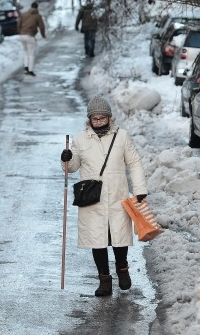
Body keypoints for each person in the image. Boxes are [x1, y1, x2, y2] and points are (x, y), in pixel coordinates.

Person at [61, 96, 148, 297]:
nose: (98, 122)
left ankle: (123, 269)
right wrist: (66, 158)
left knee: (119, 238)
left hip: (117, 195)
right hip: (92, 198)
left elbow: (134, 162)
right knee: (97, 240)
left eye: (102, 118)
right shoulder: (80, 139)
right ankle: (104, 280)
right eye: (95, 119)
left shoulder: (122, 136)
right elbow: (72, 167)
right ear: (89, 120)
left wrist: (140, 189)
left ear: (110, 118)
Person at [18, 2, 46, 76]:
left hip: (22, 35)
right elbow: (42, 27)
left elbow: (19, 24)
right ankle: (30, 70)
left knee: (25, 52)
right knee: (31, 54)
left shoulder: (23, 14)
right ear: (37, 8)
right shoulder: (38, 16)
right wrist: (43, 35)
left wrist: (20, 32)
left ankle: (26, 67)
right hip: (30, 36)